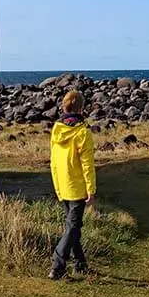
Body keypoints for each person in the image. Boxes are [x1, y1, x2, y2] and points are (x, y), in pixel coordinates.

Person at [48, 88, 96, 280]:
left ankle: (80, 263)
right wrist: (91, 189)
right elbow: (87, 164)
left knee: (73, 226)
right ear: (81, 108)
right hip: (77, 187)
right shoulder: (82, 132)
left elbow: (53, 160)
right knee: (73, 227)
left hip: (62, 183)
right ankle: (57, 266)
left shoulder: (56, 129)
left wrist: (57, 185)